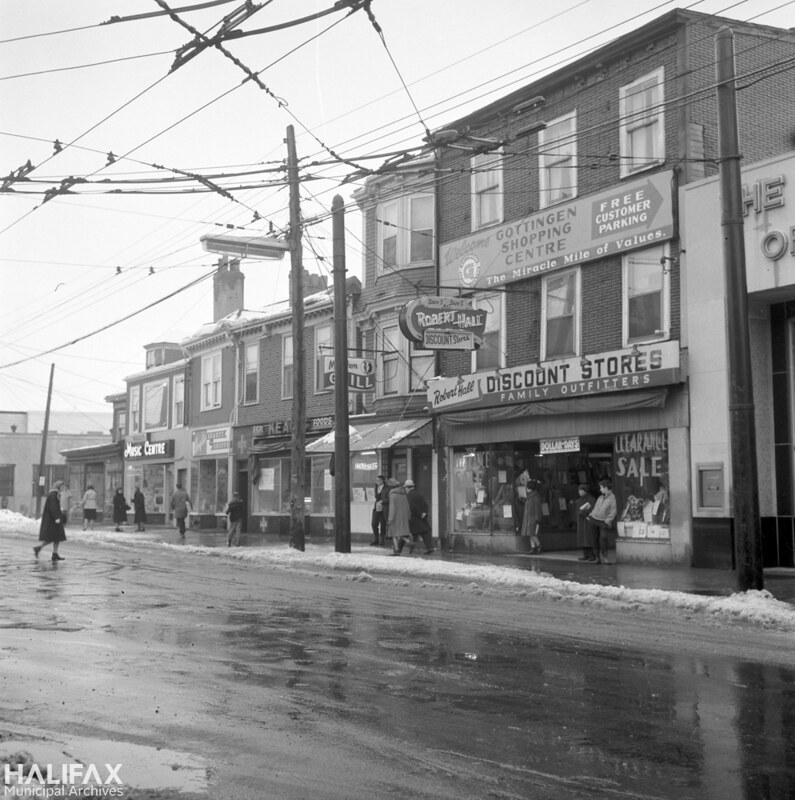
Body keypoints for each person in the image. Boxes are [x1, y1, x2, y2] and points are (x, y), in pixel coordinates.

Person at [34, 480, 67, 561]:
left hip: (54, 519)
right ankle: (39, 548)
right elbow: (53, 507)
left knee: (57, 537)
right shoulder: (53, 495)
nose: (63, 488)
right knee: (52, 537)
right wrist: (56, 517)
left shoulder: (55, 494)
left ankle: (54, 554)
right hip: (53, 520)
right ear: (58, 486)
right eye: (62, 487)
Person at [587, 479, 617, 564]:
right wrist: (591, 515)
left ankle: (605, 557)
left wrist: (608, 521)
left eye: (601, 487)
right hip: (594, 519)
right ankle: (597, 557)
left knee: (603, 538)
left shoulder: (612, 498)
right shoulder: (600, 497)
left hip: (603, 521)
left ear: (606, 488)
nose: (600, 489)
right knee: (594, 538)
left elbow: (613, 511)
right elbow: (596, 507)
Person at [405, 479, 434, 554]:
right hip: (421, 517)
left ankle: (399, 548)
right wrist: (424, 513)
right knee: (425, 532)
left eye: (405, 487)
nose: (405, 489)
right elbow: (425, 504)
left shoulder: (409, 495)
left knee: (408, 533)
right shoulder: (419, 494)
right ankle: (430, 547)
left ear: (407, 487)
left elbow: (412, 507)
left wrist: (419, 514)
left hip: (414, 517)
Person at [386, 477, 412, 555]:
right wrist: (408, 515)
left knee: (394, 534)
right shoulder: (403, 494)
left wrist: (390, 519)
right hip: (404, 516)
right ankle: (408, 543)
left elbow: (392, 508)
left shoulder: (392, 495)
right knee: (400, 533)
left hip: (395, 516)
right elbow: (407, 506)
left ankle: (397, 550)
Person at [520, 478, 543, 554]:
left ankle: (538, 545)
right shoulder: (530, 497)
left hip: (532, 519)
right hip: (528, 518)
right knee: (530, 534)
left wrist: (537, 519)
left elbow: (538, 509)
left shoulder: (535, 497)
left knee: (532, 534)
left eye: (527, 487)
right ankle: (533, 547)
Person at [575, 484, 596, 561]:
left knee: (588, 538)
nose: (579, 492)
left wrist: (584, 512)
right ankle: (585, 554)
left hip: (588, 521)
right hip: (581, 521)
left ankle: (592, 555)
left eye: (581, 490)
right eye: (579, 490)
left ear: (585, 491)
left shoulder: (591, 500)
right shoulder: (578, 501)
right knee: (582, 538)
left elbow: (592, 510)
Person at [370, 475, 389, 547]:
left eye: (378, 480)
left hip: (383, 508)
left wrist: (383, 501)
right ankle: (376, 539)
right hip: (376, 508)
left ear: (382, 481)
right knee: (374, 524)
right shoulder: (376, 487)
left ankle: (382, 540)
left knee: (383, 524)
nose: (377, 482)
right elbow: (376, 496)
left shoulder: (387, 488)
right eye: (376, 480)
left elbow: (389, 499)